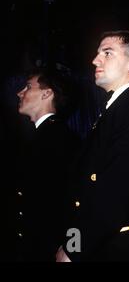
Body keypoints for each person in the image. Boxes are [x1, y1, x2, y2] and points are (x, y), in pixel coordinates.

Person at [56, 31, 129, 261]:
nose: (95, 60)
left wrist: (74, 248)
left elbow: (118, 190)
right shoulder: (119, 108)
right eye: (98, 54)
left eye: (107, 53)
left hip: (120, 247)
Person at [11, 68, 80, 261]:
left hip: (46, 249)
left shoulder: (57, 139)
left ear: (47, 93)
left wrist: (69, 247)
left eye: (28, 87)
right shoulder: (43, 136)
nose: (20, 92)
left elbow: (69, 200)